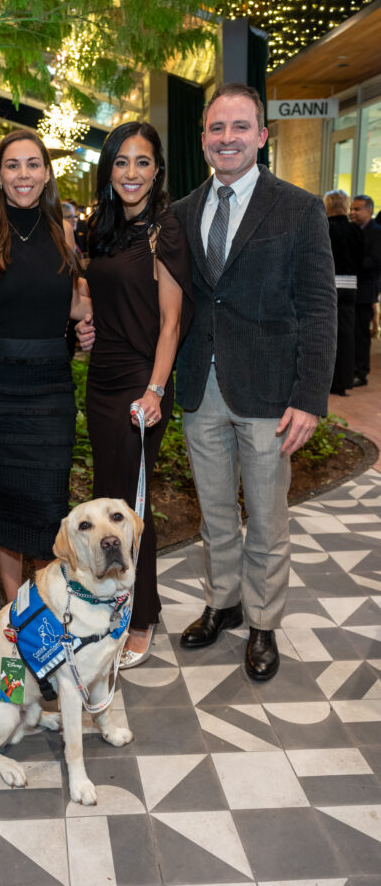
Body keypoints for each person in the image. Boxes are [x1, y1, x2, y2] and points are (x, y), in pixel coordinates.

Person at [173, 82, 336, 682]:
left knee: (267, 518)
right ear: (205, 138)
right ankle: (224, 603)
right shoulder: (184, 211)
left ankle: (263, 622)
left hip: (270, 393)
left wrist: (309, 397)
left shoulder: (297, 208)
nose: (227, 139)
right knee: (215, 514)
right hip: (201, 387)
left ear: (261, 137)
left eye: (240, 127)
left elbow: (320, 307)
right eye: (217, 129)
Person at [80, 121, 193, 668]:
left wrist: (155, 390)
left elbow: (171, 323)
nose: (131, 173)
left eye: (143, 162)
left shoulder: (163, 231)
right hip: (99, 381)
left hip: (139, 387)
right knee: (109, 500)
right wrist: (86, 329)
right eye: (121, 162)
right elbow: (101, 302)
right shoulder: (102, 230)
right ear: (109, 170)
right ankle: (116, 598)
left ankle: (142, 614)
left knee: (131, 507)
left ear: (157, 171)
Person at [0, 130, 91, 601]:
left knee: (46, 510)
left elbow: (74, 300)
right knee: (4, 516)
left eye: (33, 164)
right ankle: (18, 619)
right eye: (13, 165)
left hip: (50, 394)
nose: (23, 174)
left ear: (46, 173)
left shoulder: (63, 231)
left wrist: (87, 320)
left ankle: (49, 619)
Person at [323, 190, 363, 396]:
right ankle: (344, 381)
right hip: (351, 286)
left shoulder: (325, 228)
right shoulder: (355, 230)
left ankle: (329, 380)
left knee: (327, 333)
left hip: (330, 285)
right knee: (347, 334)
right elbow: (361, 259)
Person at [349, 194, 381, 386]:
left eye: (357, 209)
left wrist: (351, 264)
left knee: (361, 333)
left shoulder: (376, 232)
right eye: (351, 209)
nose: (352, 213)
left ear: (369, 211)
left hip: (365, 289)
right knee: (352, 332)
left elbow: (375, 261)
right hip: (353, 288)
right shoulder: (353, 230)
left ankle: (361, 371)